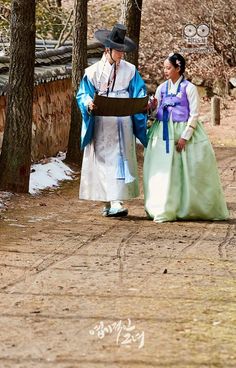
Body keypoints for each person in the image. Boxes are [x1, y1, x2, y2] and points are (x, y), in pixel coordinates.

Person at [143, 52, 229, 223]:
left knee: (188, 170)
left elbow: (195, 114)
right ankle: (163, 206)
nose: (165, 71)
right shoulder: (162, 88)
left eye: (168, 68)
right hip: (163, 132)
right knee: (162, 170)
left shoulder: (189, 88)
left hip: (183, 131)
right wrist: (151, 107)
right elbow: (154, 111)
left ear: (178, 68)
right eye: (165, 68)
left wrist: (185, 137)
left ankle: (190, 206)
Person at [76, 24, 147, 217]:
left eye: (123, 51)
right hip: (101, 121)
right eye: (118, 51)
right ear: (108, 49)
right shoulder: (92, 72)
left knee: (119, 158)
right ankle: (106, 201)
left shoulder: (131, 70)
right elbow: (82, 95)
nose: (122, 54)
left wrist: (142, 102)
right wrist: (89, 103)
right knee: (102, 159)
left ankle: (117, 200)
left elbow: (140, 90)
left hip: (122, 120)